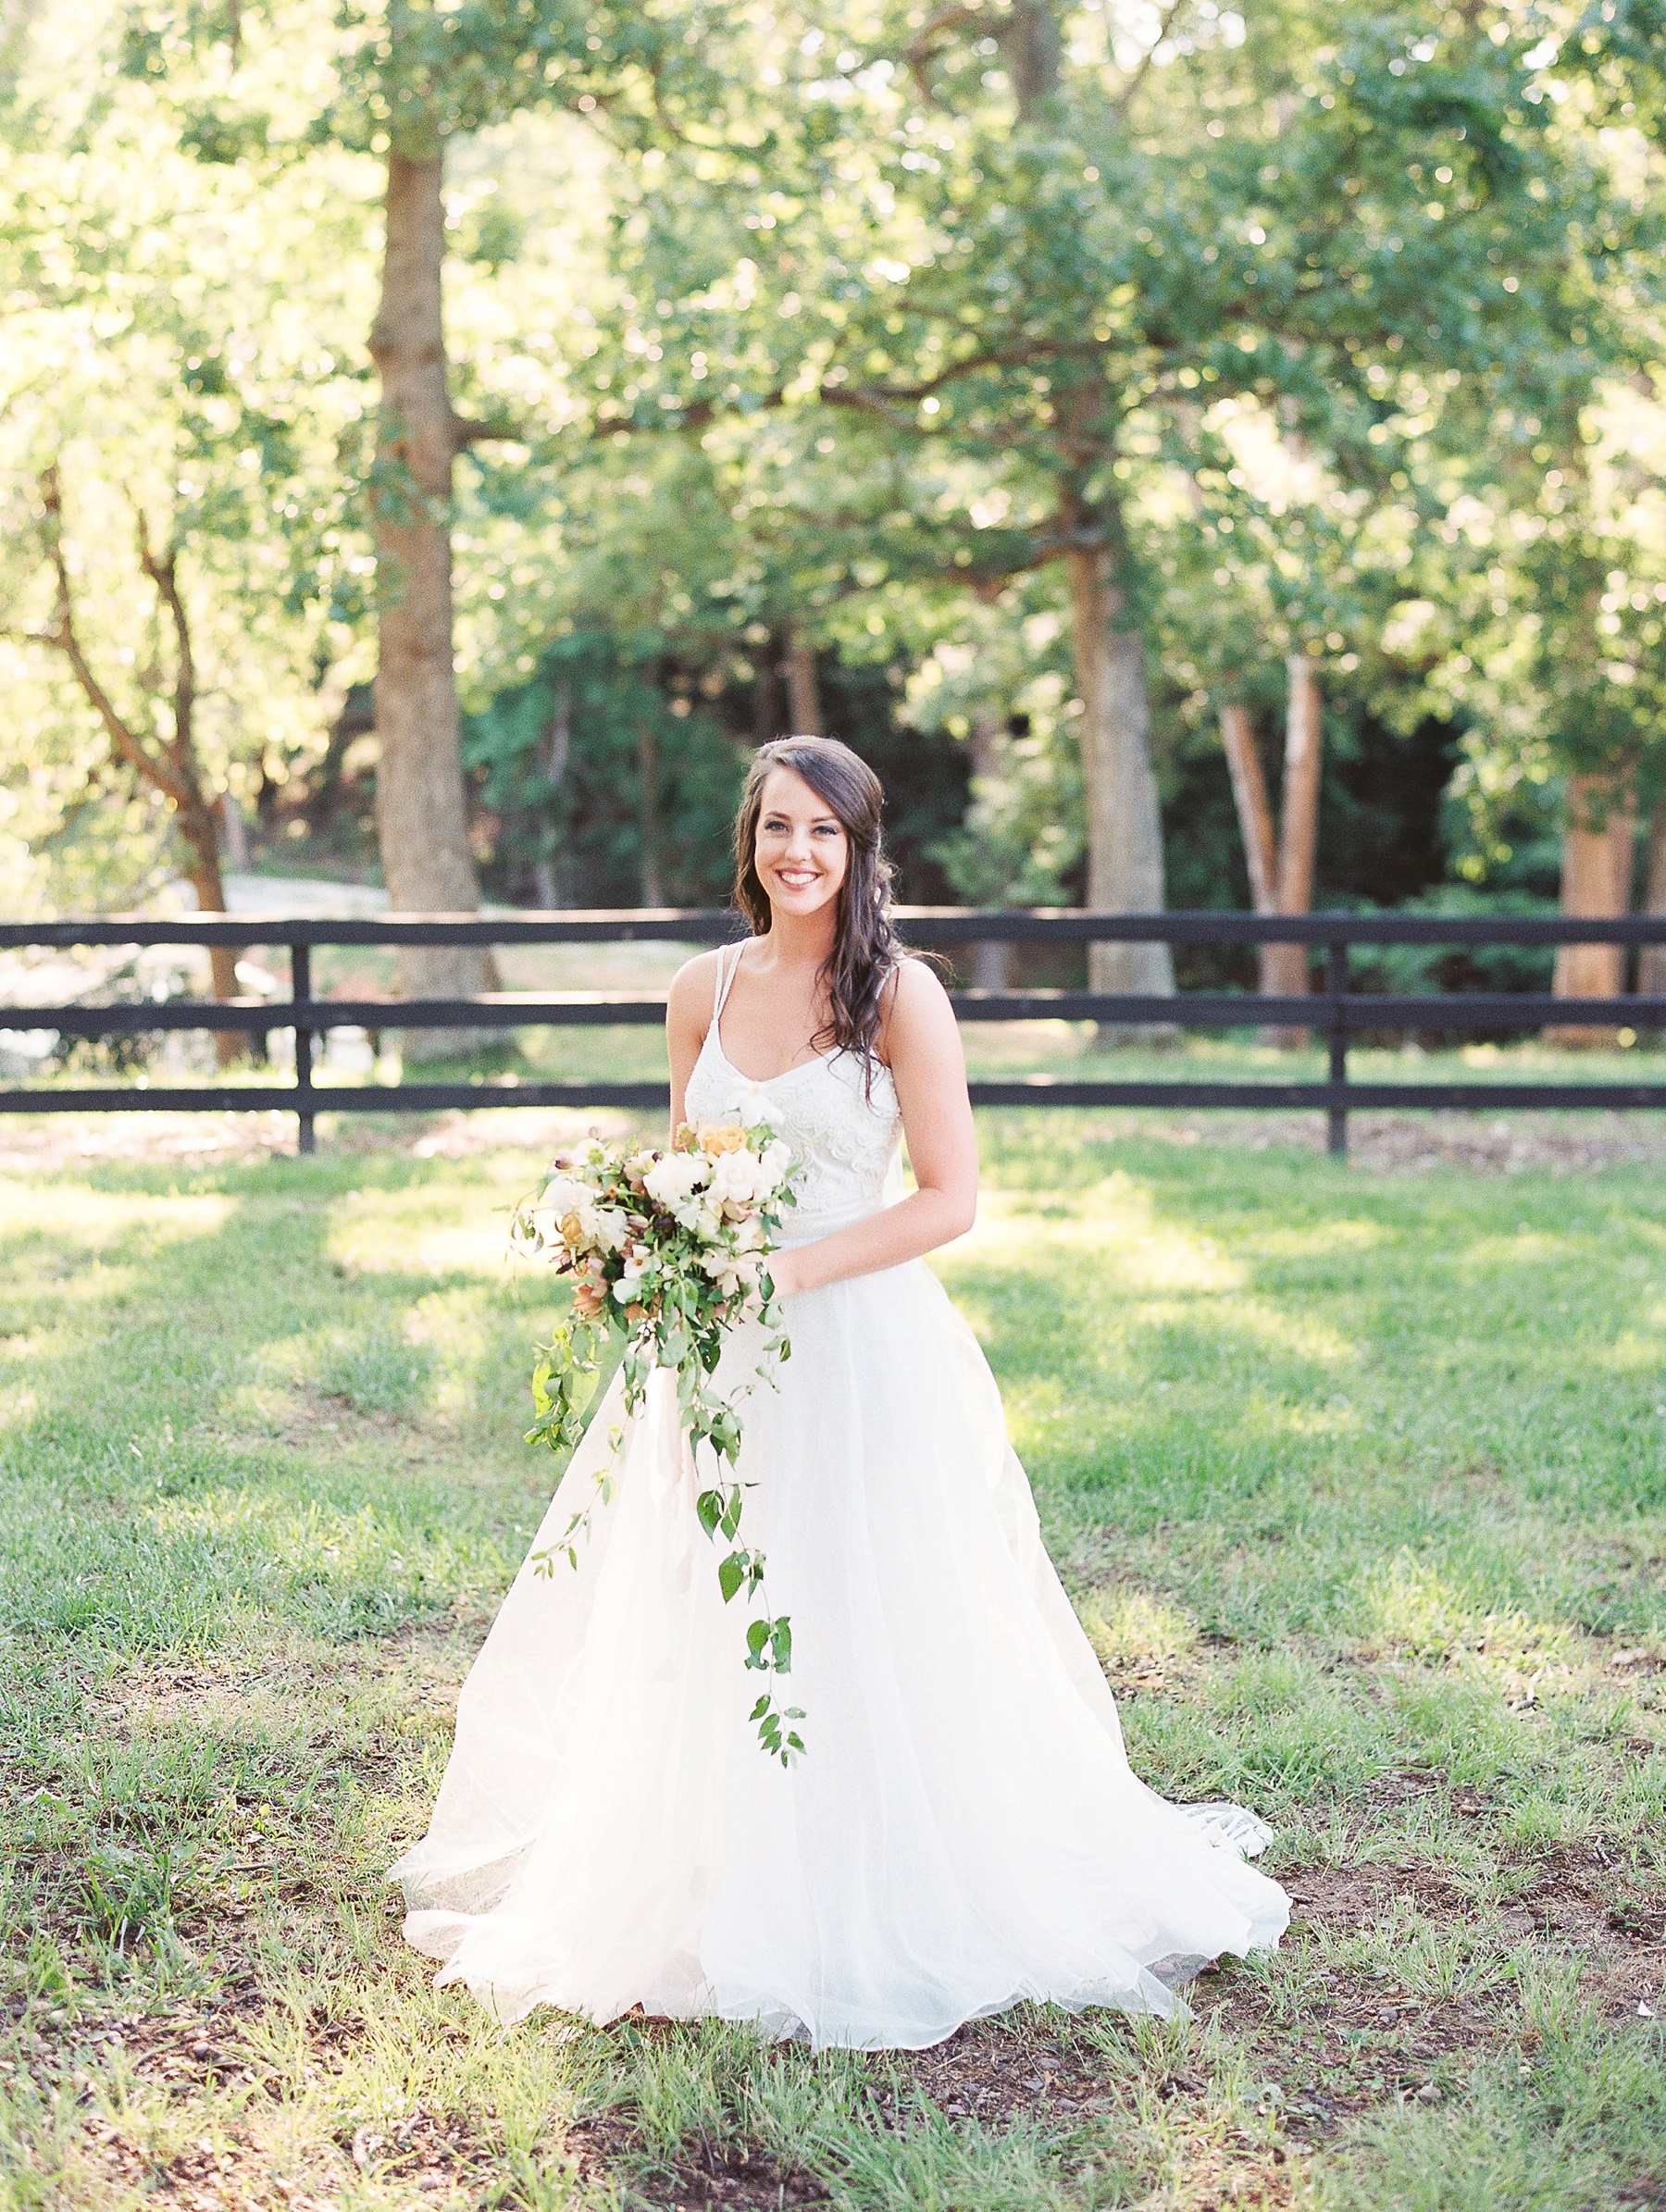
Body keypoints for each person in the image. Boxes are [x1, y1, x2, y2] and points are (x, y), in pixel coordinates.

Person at [392, 735, 1288, 2049]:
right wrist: (643, 1247)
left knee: (861, 1598)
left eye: (824, 830)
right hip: (711, 1356)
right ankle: (706, 1873)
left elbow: (950, 1196)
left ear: (861, 847)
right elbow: (687, 1163)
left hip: (859, 1341)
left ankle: (876, 1876)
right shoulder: (697, 989)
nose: (798, 852)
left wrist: (793, 1272)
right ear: (749, 844)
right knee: (706, 1591)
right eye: (777, 828)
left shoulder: (899, 994)